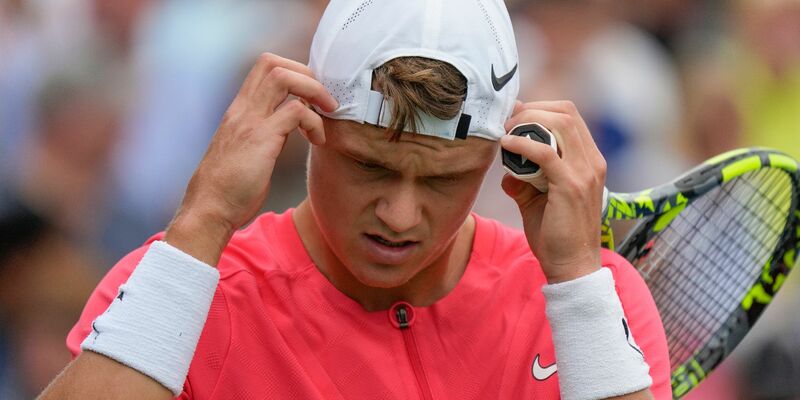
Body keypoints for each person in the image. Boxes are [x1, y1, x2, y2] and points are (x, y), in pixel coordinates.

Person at [41, 1, 670, 399]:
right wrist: (205, 214)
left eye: (444, 180)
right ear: (305, 121)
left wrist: (578, 283)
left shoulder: (587, 297)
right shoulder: (184, 282)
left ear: (501, 158)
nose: (400, 216)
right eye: (369, 166)